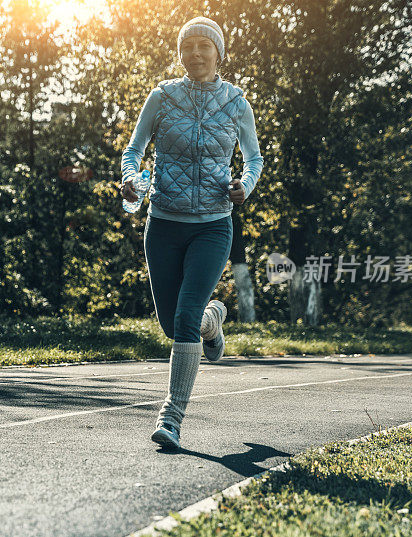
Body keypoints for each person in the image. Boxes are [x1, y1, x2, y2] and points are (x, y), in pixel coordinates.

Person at [119, 16, 264, 450]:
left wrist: (246, 185)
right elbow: (134, 150)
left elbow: (254, 158)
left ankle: (172, 416)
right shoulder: (162, 97)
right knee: (173, 324)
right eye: (189, 47)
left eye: (205, 46)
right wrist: (132, 179)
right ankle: (212, 322)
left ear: (219, 53)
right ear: (180, 53)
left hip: (213, 226)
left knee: (182, 318)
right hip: (163, 224)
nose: (196, 54)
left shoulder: (236, 102)